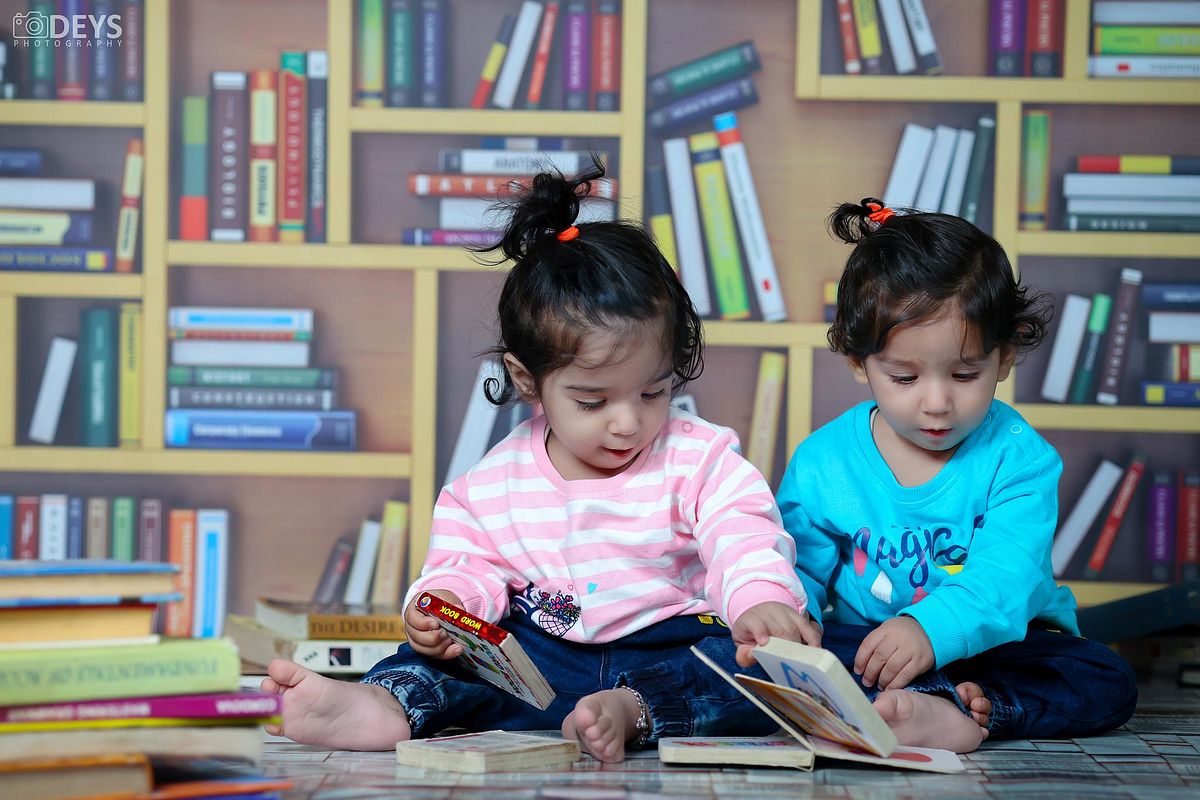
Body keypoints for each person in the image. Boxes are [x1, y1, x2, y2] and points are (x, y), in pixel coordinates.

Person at [261, 163, 820, 762]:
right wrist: (446, 606)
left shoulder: (700, 456)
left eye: (653, 393)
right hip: (544, 665)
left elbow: (743, 534)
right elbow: (466, 564)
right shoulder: (490, 485)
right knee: (436, 663)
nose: (628, 422)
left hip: (668, 646)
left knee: (757, 668)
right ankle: (382, 706)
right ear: (529, 380)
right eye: (593, 400)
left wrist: (759, 601)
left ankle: (632, 711)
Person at [776, 198, 1138, 754]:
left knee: (1104, 678)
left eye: (966, 373)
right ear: (857, 360)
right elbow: (796, 567)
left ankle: (967, 709)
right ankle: (914, 704)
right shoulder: (824, 461)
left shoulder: (1019, 459)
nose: (938, 403)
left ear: (1006, 356)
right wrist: (787, 627)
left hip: (1000, 647)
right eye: (904, 377)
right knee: (745, 647)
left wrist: (930, 630)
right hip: (871, 650)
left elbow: (1007, 575)